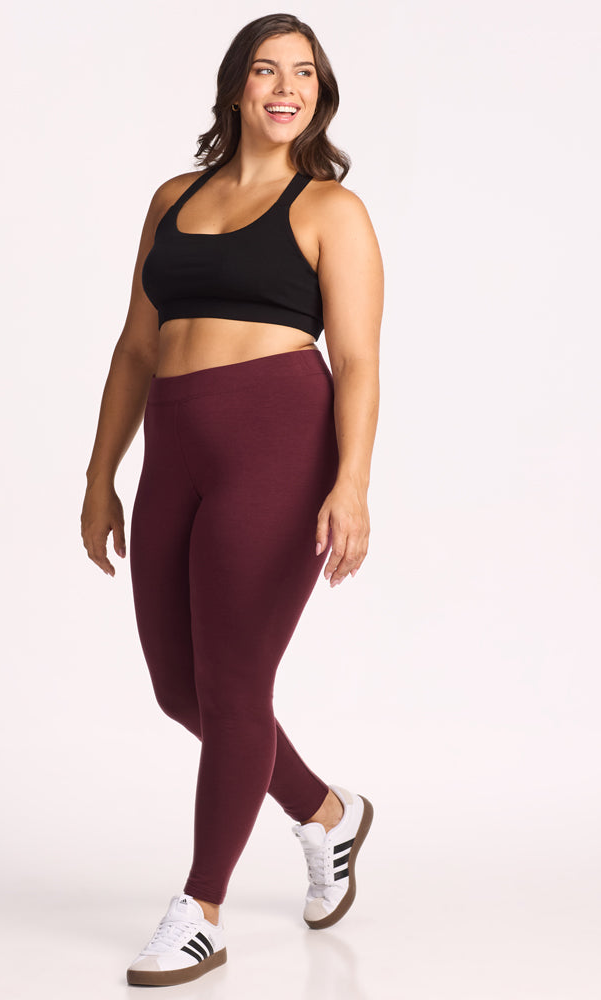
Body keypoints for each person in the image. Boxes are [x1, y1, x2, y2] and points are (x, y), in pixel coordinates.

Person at [80, 12, 383, 989]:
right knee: (183, 689)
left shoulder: (330, 209)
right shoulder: (172, 197)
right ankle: (330, 815)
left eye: (302, 73)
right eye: (265, 70)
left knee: (235, 687)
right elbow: (134, 346)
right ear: (236, 88)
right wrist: (99, 476)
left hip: (277, 448)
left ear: (317, 95)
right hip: (172, 447)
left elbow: (361, 361)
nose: (283, 87)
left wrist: (350, 483)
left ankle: (200, 907)